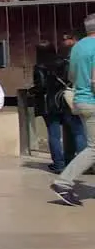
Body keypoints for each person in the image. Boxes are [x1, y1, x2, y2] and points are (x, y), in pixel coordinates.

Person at [51, 14, 95, 206]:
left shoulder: (77, 47)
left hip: (81, 100)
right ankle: (63, 182)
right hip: (93, 101)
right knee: (94, 148)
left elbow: (72, 75)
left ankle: (63, 182)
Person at [33, 41, 86, 174]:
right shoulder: (64, 62)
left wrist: (33, 91)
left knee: (54, 135)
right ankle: (83, 163)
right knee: (77, 132)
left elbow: (42, 86)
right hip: (65, 100)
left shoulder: (39, 66)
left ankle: (59, 164)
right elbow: (72, 79)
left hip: (49, 105)